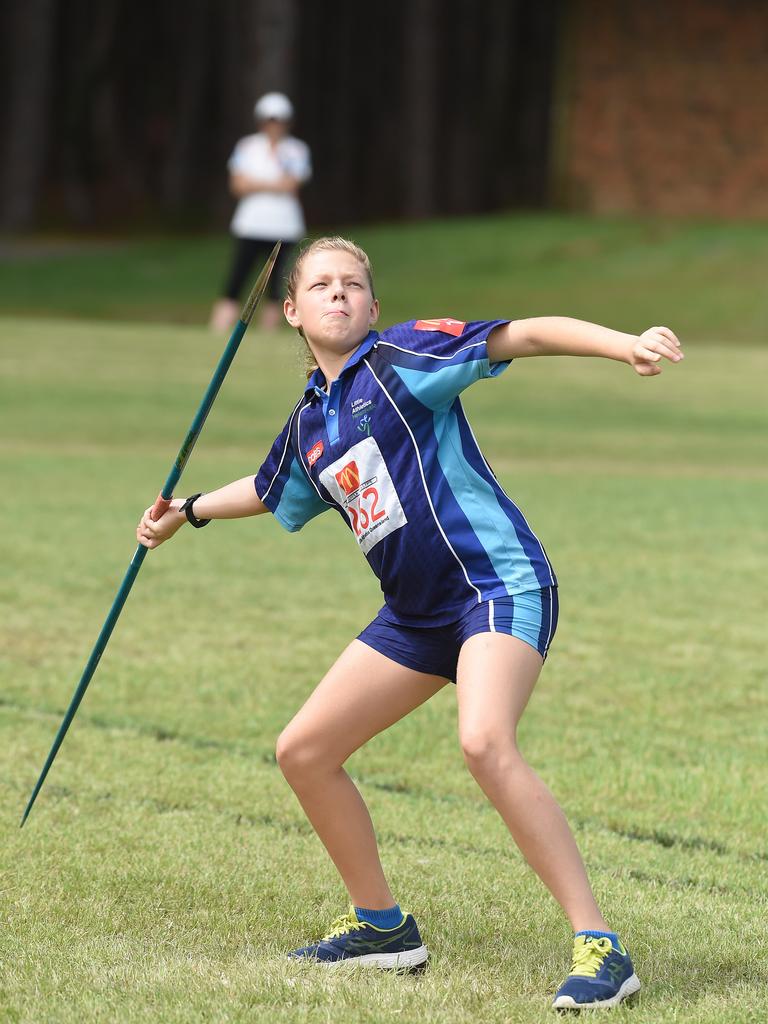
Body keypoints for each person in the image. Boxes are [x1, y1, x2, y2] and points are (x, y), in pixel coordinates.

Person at [139, 236, 683, 1009]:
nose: (338, 295)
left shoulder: (400, 360)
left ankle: (600, 946)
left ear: (373, 306)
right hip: (417, 617)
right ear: (289, 310)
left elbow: (519, 335)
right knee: (304, 750)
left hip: (496, 586)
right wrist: (185, 512)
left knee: (484, 741)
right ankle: (384, 929)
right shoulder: (311, 424)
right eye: (321, 286)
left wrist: (622, 344)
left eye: (353, 285)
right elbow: (271, 489)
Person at [209, 92, 311, 333]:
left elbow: (292, 183)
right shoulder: (247, 146)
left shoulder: (297, 149)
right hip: (251, 224)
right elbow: (237, 185)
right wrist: (274, 184)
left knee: (278, 284)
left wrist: (257, 183)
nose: (274, 125)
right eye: (270, 120)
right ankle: (218, 329)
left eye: (279, 120)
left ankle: (268, 332)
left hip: (284, 226)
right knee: (237, 277)